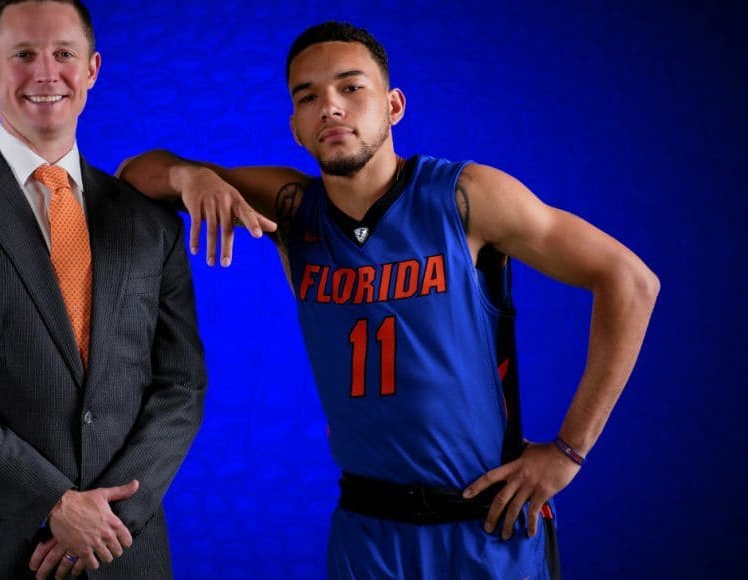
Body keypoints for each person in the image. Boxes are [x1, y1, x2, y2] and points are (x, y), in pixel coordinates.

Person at [118, 21, 659, 579]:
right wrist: (192, 178)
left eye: (351, 88)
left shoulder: (465, 198)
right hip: (368, 532)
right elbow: (135, 174)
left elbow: (629, 281)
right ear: (296, 128)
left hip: (486, 526)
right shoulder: (294, 210)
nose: (330, 107)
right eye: (308, 97)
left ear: (393, 105)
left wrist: (569, 451)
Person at [0, 1, 207, 578]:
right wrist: (54, 503)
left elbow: (180, 385)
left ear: (93, 69)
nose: (47, 73)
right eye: (24, 54)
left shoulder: (150, 222)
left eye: (64, 54)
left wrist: (108, 520)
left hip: (127, 551)